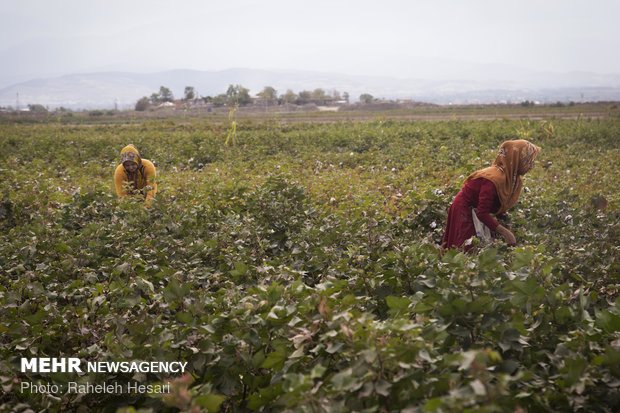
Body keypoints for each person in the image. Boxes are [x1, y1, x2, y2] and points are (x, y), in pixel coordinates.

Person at [441, 139, 541, 250]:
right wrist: (506, 233)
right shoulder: (493, 179)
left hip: (477, 210)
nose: (531, 165)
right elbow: (482, 213)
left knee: (480, 248)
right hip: (464, 209)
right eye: (527, 161)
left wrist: (506, 223)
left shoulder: (513, 179)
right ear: (517, 160)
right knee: (466, 249)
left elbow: (499, 205)